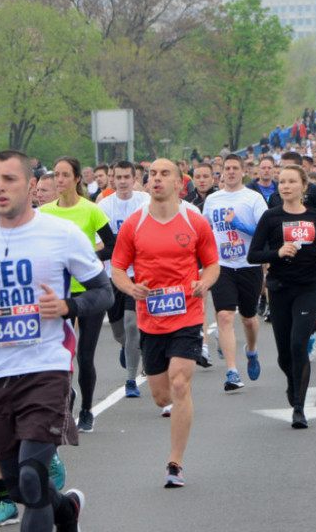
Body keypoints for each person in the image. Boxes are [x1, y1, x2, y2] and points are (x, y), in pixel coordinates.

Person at [0, 150, 109, 532]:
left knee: (34, 477)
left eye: (9, 179)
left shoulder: (61, 233)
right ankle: (67, 511)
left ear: (32, 186)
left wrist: (67, 305)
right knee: (20, 486)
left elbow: (103, 293)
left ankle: (58, 511)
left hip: (46, 367)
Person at [112, 158, 219, 488]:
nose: (156, 179)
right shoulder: (134, 224)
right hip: (151, 319)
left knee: (179, 384)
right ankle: (177, 398)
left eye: (164, 174)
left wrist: (205, 283)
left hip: (187, 315)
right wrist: (130, 287)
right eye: (153, 174)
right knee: (161, 397)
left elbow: (213, 264)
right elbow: (117, 268)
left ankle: (175, 463)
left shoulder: (194, 220)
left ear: (179, 183)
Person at [248, 165, 316, 429]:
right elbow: (253, 255)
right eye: (282, 182)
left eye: (291, 181)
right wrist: (277, 253)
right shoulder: (271, 217)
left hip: (308, 287)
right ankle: (292, 384)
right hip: (279, 288)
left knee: (298, 345)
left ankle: (299, 407)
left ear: (303, 187)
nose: (285, 186)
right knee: (284, 356)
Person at [40, 156, 116, 433]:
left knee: (84, 355)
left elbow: (112, 245)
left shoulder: (91, 210)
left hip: (90, 292)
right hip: (57, 294)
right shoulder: (45, 212)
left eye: (64, 175)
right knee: (60, 356)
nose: (59, 180)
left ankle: (86, 409)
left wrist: (85, 258)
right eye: (55, 175)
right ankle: (66, 402)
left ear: (76, 180)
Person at [202, 154, 268, 392]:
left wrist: (239, 224)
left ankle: (251, 351)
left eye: (234, 168)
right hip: (222, 266)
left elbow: (264, 230)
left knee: (249, 319)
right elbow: (204, 228)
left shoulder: (253, 198)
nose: (230, 172)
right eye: (226, 168)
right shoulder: (212, 200)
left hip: (249, 265)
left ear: (243, 172)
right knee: (224, 316)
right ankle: (232, 371)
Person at [97, 161, 150, 397]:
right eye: (118, 177)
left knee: (131, 324)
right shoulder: (104, 205)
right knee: (119, 331)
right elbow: (101, 242)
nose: (123, 181)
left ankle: (131, 380)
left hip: (138, 273)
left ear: (134, 178)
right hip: (113, 273)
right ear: (113, 179)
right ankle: (127, 347)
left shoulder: (144, 202)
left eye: (127, 177)